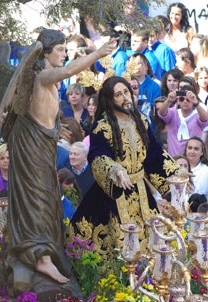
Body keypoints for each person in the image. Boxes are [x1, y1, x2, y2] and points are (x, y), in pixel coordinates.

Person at [2, 29, 117, 293]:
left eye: (66, 49)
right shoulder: (43, 76)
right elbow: (67, 73)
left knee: (47, 194)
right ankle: (40, 257)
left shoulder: (45, 79)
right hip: (30, 144)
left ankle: (46, 252)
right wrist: (97, 54)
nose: (64, 54)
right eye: (61, 50)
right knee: (38, 196)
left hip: (40, 142)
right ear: (46, 51)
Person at [67, 76, 179, 259]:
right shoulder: (102, 126)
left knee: (153, 243)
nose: (125, 97)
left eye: (126, 92)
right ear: (110, 100)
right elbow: (97, 154)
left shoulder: (141, 121)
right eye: (118, 95)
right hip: (114, 191)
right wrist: (115, 169)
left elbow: (153, 154)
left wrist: (176, 173)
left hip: (141, 191)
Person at [156, 85, 208, 157]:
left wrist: (196, 103)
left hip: (192, 160)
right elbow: (161, 113)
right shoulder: (173, 112)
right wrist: (168, 101)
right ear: (178, 101)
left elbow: (206, 119)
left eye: (188, 100)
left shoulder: (197, 115)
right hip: (173, 159)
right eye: (182, 99)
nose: (185, 101)